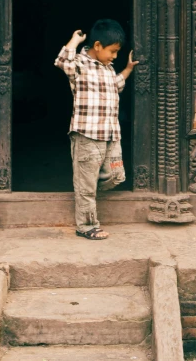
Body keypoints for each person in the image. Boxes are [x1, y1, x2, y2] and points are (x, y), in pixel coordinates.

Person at [54, 19, 138, 240]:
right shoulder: (79, 64)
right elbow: (62, 61)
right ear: (98, 45)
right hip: (87, 135)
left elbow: (117, 85)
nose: (115, 56)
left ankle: (85, 189)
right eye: (113, 51)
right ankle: (87, 225)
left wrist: (128, 69)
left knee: (116, 175)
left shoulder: (109, 69)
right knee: (86, 185)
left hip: (110, 134)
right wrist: (74, 40)